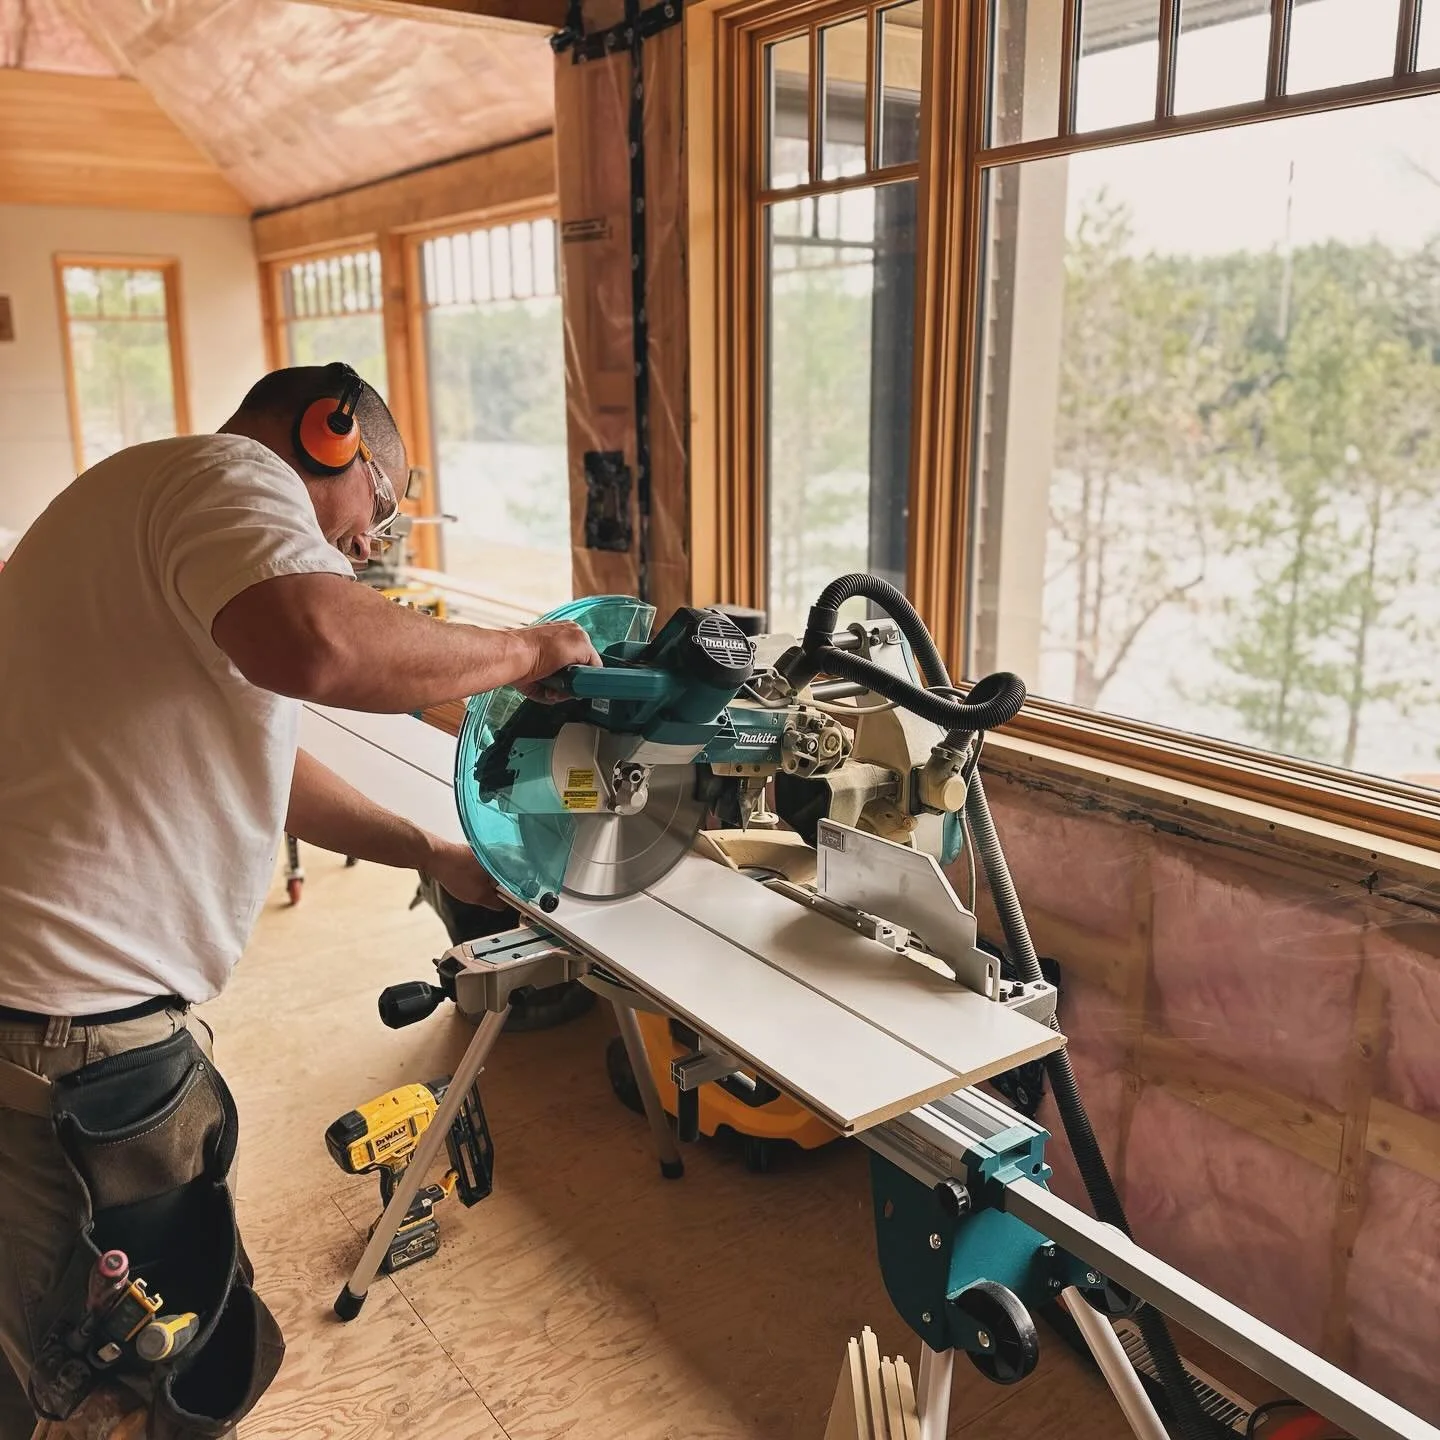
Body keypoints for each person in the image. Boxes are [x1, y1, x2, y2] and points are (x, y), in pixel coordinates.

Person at [0, 363, 600, 1437]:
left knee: (60, 1343)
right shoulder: (229, 479)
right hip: (75, 1040)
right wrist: (524, 651)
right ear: (329, 433)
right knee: (127, 1383)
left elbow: (252, 763)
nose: (369, 541)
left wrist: (431, 849)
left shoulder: (142, 499)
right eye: (381, 499)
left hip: (46, 1017)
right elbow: (321, 641)